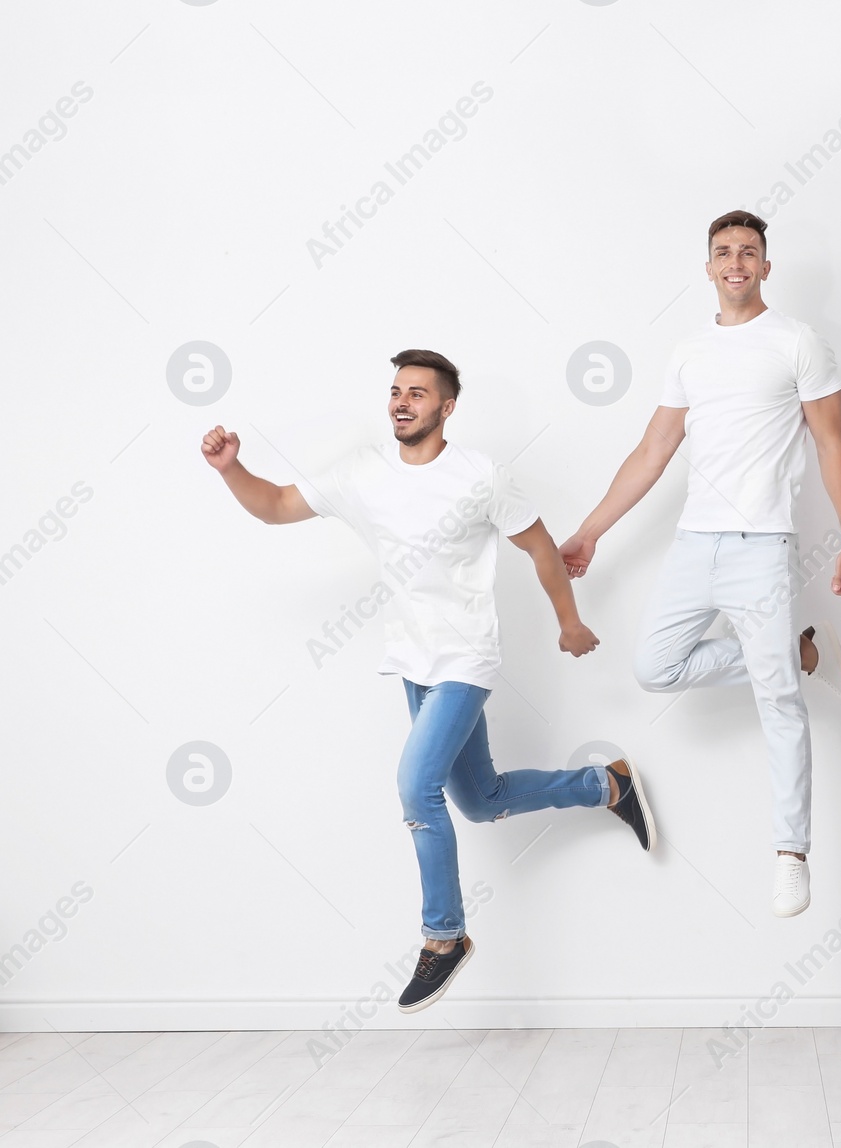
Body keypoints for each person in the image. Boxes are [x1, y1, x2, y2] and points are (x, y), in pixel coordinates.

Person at [199, 349, 654, 1012]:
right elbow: (272, 506)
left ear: (447, 406)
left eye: (418, 392)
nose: (402, 402)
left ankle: (444, 938)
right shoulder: (363, 473)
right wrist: (230, 467)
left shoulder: (481, 476)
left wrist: (570, 623)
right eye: (395, 391)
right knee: (481, 799)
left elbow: (539, 548)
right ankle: (604, 783)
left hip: (466, 659)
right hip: (411, 662)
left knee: (416, 787)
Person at [560, 210, 841, 918]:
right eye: (723, 252)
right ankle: (787, 652)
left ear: (765, 266)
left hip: (762, 546)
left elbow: (832, 442)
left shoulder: (797, 343)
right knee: (654, 667)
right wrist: (591, 531)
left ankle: (791, 853)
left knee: (778, 701)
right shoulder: (689, 351)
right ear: (708, 267)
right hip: (696, 543)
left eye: (748, 252)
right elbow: (651, 452)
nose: (736, 262)